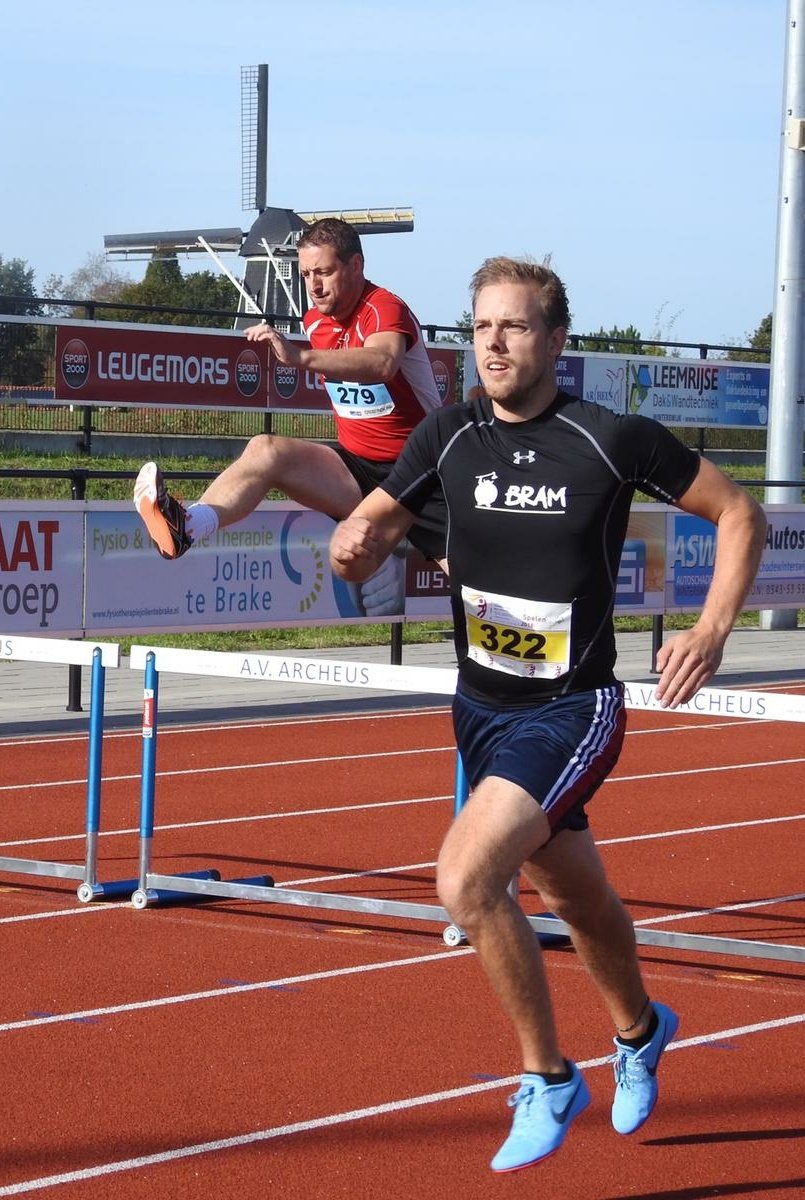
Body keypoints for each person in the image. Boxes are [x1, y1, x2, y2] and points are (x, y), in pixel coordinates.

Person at [329, 255, 766, 1173]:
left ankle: (548, 1076)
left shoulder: (608, 438)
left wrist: (712, 629)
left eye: (514, 326)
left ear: (556, 341)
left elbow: (736, 514)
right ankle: (642, 1031)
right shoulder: (446, 436)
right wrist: (353, 546)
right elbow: (368, 527)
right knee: (574, 895)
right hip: (479, 707)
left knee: (464, 881)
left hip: (573, 707)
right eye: (481, 325)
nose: (493, 342)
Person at [133, 217, 447, 615]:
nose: (313, 286)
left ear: (355, 266)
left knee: (480, 587)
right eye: (305, 274)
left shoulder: (384, 307)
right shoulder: (315, 320)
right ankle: (187, 527)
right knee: (265, 449)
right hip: (357, 471)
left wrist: (300, 357)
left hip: (420, 472)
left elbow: (382, 362)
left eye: (324, 272)